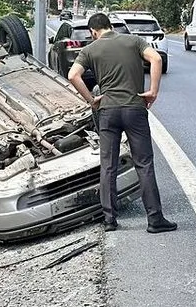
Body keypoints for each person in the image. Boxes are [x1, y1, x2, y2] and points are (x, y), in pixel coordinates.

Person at [67, 13, 177, 234]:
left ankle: (109, 220)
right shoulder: (134, 41)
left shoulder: (90, 50)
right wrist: (153, 92)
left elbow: (72, 75)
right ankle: (155, 219)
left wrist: (91, 100)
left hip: (108, 111)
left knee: (108, 165)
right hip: (135, 109)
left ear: (93, 32)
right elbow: (156, 59)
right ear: (111, 26)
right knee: (144, 164)